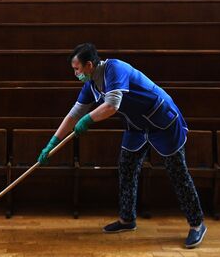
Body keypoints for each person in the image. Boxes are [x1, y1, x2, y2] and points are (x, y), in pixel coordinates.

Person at [37, 43, 207, 249]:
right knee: (126, 167)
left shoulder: (115, 69)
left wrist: (88, 120)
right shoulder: (91, 84)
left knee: (177, 172)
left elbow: (111, 105)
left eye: (77, 69)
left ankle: (197, 224)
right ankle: (127, 219)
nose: (75, 73)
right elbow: (74, 113)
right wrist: (52, 142)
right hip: (137, 126)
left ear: (89, 65)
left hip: (163, 121)